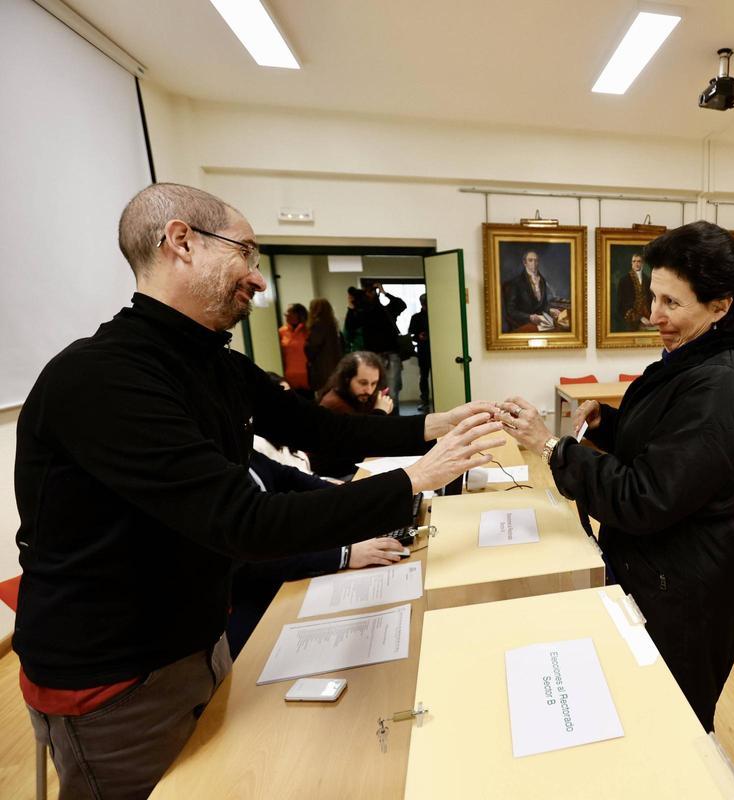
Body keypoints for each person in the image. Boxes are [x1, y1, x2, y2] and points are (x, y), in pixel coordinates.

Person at [12, 182, 503, 798]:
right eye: (245, 253)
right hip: (118, 675)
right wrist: (419, 477)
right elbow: (245, 521)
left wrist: (440, 424)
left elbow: (320, 430)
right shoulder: (103, 377)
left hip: (198, 639)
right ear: (181, 242)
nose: (259, 278)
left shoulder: (211, 360)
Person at [501, 221, 734, 732]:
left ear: (720, 306)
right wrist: (611, 423)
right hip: (653, 567)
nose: (653, 315)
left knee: (671, 723)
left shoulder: (720, 387)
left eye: (671, 303)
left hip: (681, 587)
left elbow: (645, 496)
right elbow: (665, 451)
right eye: (653, 297)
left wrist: (552, 447)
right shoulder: (688, 363)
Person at [228, 452, 411, 658]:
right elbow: (251, 558)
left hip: (290, 570)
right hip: (258, 598)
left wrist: (358, 503)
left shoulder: (246, 452)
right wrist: (343, 554)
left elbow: (290, 477)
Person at [313, 351, 395, 477]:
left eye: (374, 383)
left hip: (353, 466)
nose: (369, 390)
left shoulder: (359, 396)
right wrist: (380, 412)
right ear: (347, 379)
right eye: (363, 383)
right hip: (336, 475)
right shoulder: (335, 404)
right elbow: (364, 440)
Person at [346, 281, 407, 411]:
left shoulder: (385, 310)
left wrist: (384, 293)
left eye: (372, 291)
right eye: (367, 292)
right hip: (374, 357)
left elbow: (401, 304)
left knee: (392, 393)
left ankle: (394, 421)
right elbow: (350, 328)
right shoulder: (363, 312)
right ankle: (382, 419)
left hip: (391, 355)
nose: (370, 294)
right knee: (375, 392)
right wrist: (351, 306)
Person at [502, 250, 562, 332]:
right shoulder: (516, 283)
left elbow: (542, 305)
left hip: (541, 323)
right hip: (523, 323)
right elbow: (511, 311)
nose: (534, 263)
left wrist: (550, 310)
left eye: (536, 260)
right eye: (530, 260)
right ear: (524, 262)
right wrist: (529, 317)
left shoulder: (542, 281)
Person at [305, 297, 343, 398]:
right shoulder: (333, 325)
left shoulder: (318, 325)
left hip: (321, 368)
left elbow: (312, 347)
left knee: (322, 398)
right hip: (333, 366)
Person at [278, 303, 310, 397]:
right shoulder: (281, 332)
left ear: (298, 315)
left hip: (308, 378)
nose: (286, 315)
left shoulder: (308, 331)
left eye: (289, 313)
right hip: (289, 379)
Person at [615, 253, 652, 331]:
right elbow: (622, 303)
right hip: (631, 319)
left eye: (639, 261)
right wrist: (640, 318)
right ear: (631, 263)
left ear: (642, 263)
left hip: (648, 317)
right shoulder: (624, 280)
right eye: (634, 261)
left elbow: (651, 300)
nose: (636, 264)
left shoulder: (648, 279)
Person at [408, 293, 432, 410]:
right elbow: (411, 336)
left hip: (439, 352)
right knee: (424, 377)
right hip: (423, 351)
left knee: (441, 376)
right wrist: (419, 336)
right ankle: (425, 401)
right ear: (421, 304)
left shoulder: (437, 316)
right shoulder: (416, 317)